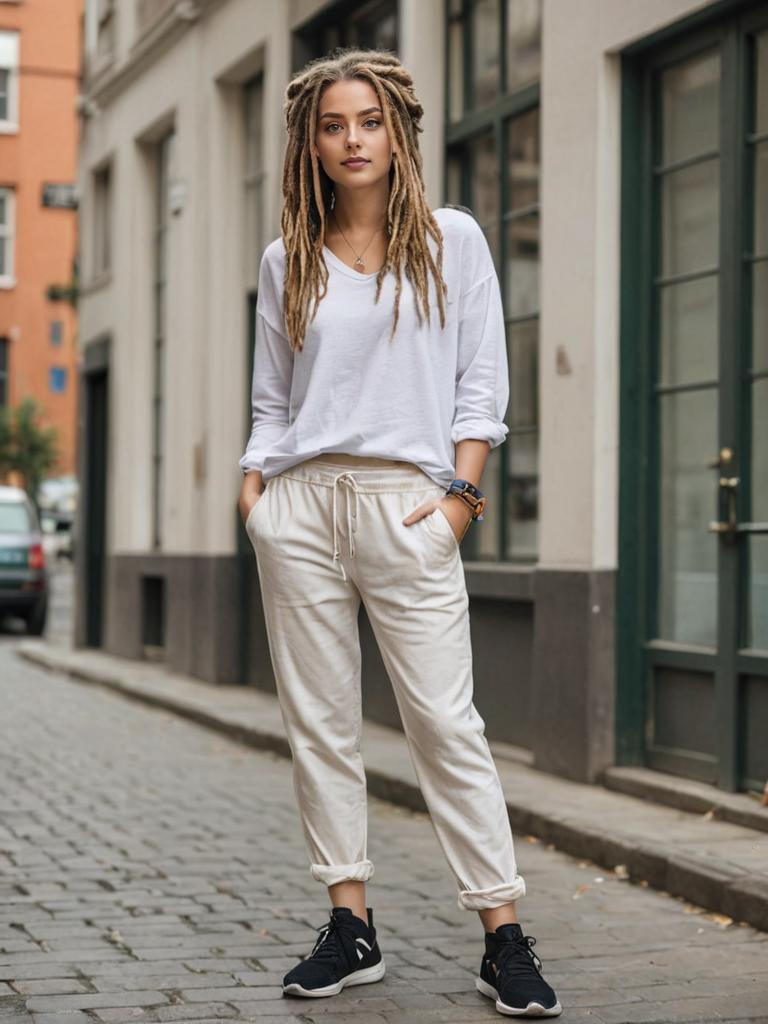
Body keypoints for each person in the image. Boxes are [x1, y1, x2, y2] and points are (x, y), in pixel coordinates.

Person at [237, 47, 562, 1019]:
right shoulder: (286, 258)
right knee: (320, 726)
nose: (352, 140)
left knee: (445, 725)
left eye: (368, 122)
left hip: (410, 507)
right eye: (333, 125)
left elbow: (482, 385)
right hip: (301, 509)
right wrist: (258, 500)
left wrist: (461, 499)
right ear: (312, 140)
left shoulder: (452, 240)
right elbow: (270, 399)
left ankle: (502, 934)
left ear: (398, 129)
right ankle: (351, 924)